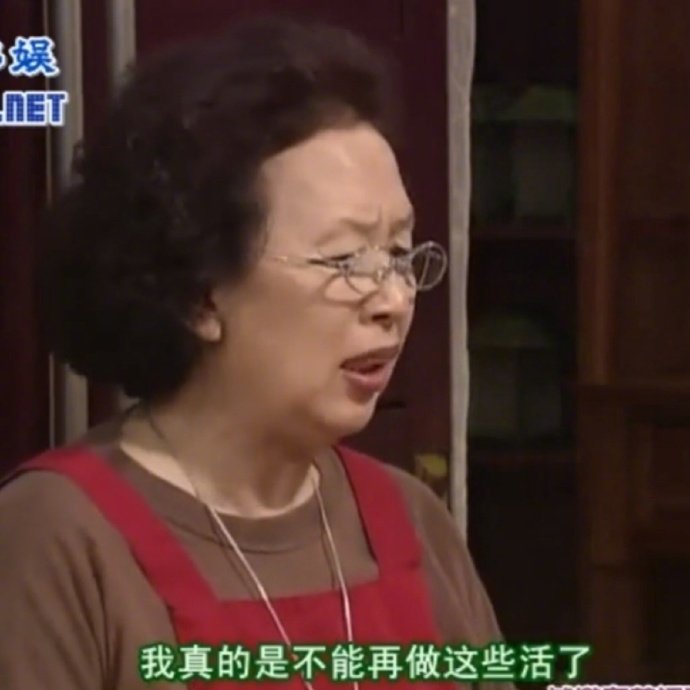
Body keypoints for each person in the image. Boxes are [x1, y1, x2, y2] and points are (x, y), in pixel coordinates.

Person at [0, 16, 510, 690]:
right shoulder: (55, 535)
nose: (393, 299)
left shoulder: (412, 519)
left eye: (398, 252)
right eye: (345, 259)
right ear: (200, 292)